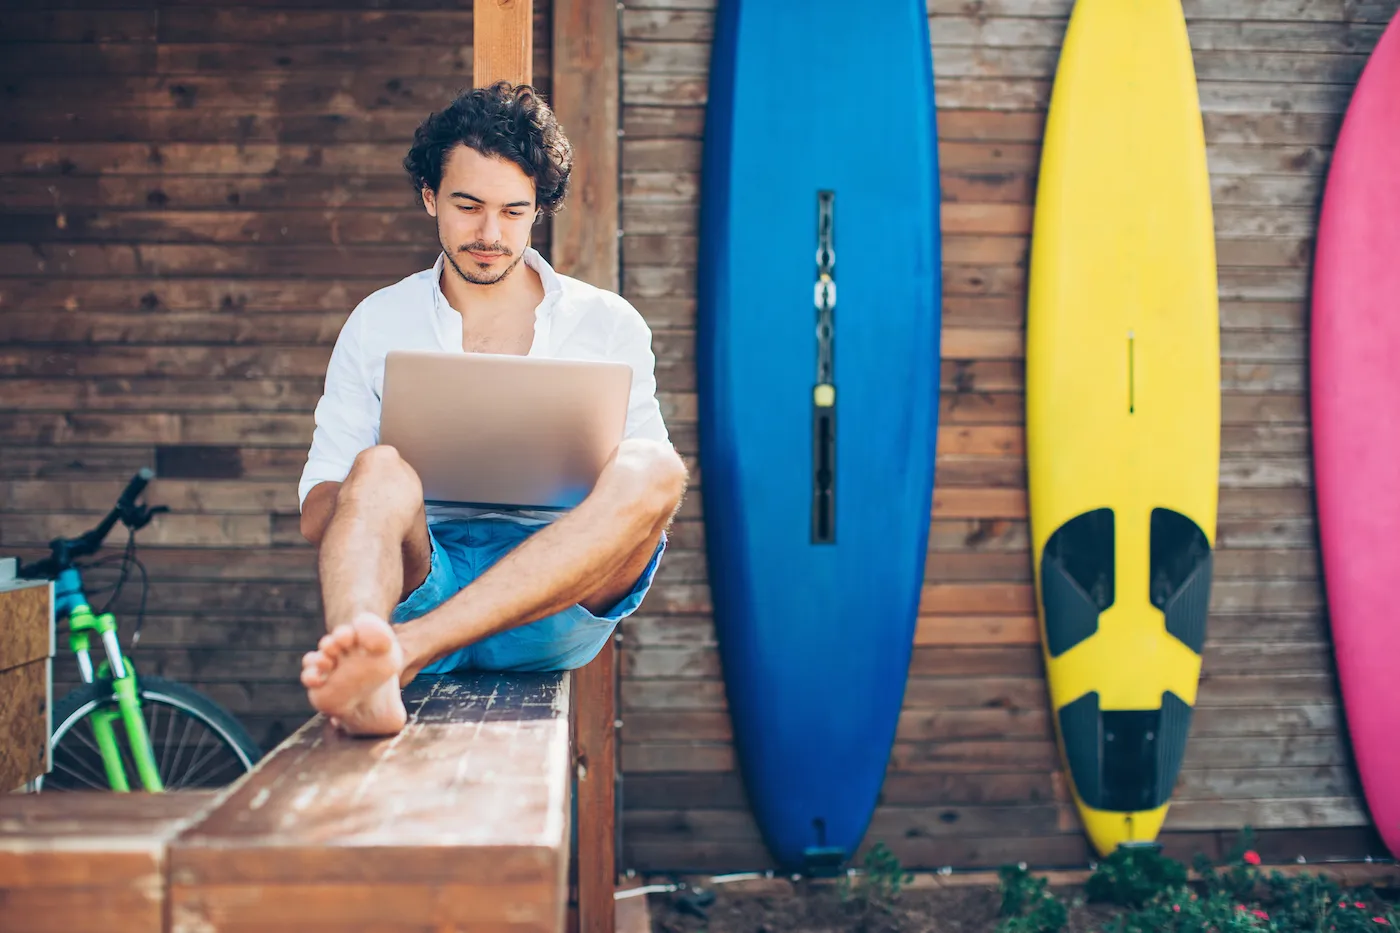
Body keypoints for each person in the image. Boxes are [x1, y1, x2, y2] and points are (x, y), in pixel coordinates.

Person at [295, 82, 688, 736]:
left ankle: (399, 655)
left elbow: (644, 509)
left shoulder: (608, 324)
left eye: (513, 211)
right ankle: (365, 655)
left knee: (657, 467)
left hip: (555, 598)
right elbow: (317, 512)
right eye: (468, 205)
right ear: (430, 198)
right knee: (377, 466)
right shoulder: (378, 322)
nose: (489, 233)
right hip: (427, 573)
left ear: (538, 211)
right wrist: (386, 487)